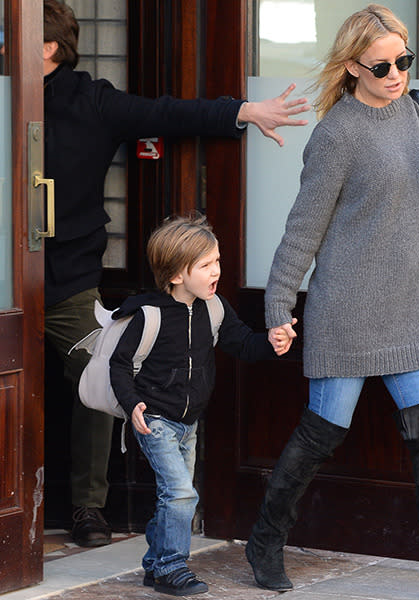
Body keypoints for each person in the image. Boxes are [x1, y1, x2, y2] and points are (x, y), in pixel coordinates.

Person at [245, 5, 419, 600]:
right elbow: (302, 232)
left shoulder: (418, 109)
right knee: (323, 431)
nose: (396, 74)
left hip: (414, 307)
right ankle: (264, 540)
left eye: (404, 61)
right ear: (352, 66)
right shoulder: (336, 134)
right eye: (382, 66)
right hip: (348, 312)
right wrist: (278, 310)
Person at [41, 0, 308, 548]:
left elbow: (167, 112)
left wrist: (243, 111)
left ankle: (89, 508)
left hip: (66, 284)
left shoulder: (91, 100)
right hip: (5, 282)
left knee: (98, 377)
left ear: (46, 47)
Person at [109, 214, 291, 597]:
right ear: (176, 274)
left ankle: (156, 563)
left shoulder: (214, 308)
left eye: (218, 262)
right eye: (206, 265)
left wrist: (272, 341)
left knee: (173, 494)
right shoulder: (149, 315)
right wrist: (133, 405)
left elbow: (242, 343)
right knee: (180, 494)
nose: (217, 271)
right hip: (154, 418)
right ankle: (173, 567)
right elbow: (120, 364)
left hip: (188, 421)